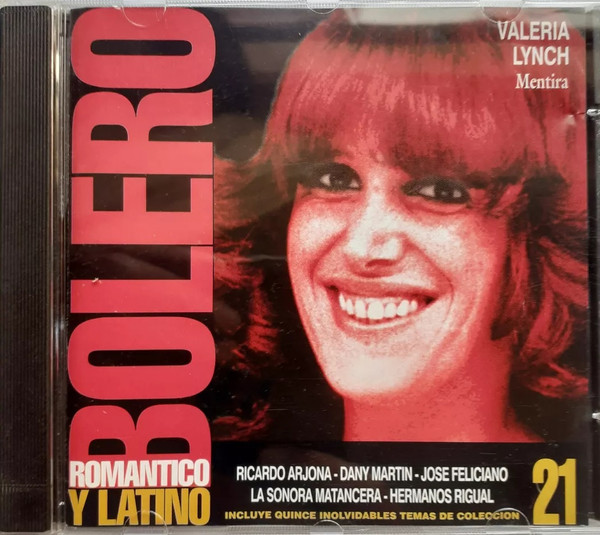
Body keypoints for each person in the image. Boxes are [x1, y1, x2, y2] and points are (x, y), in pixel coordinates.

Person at [213, 10, 588, 442]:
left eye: (439, 191)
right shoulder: (225, 473)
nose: (362, 247)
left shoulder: (570, 479)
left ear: (536, 235)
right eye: (334, 179)